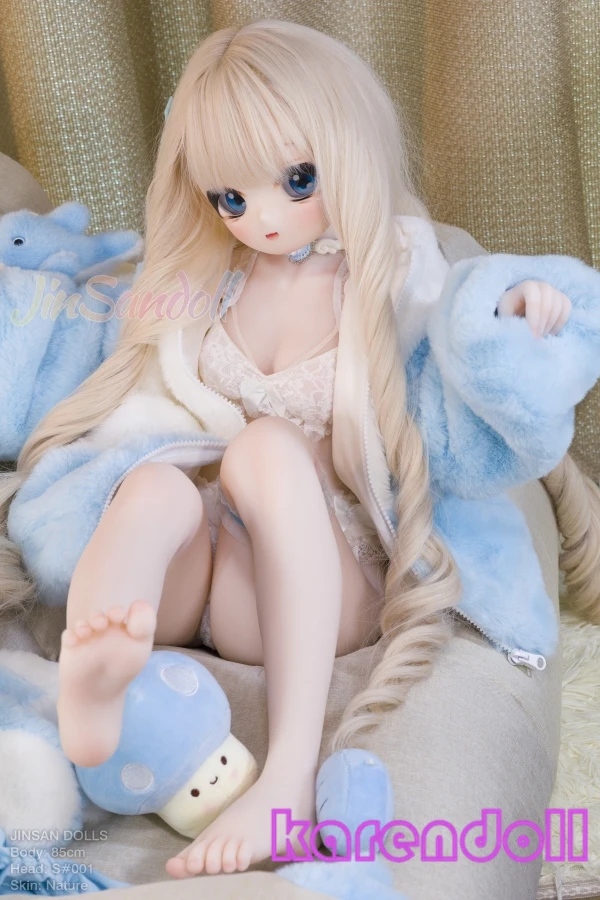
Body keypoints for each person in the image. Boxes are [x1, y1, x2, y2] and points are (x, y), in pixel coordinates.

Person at [1, 18, 599, 888]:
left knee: (265, 450)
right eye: (231, 198)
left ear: (347, 150)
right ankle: (92, 689)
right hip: (203, 584)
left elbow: (462, 370)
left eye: (296, 182)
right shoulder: (206, 278)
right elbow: (107, 364)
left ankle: (286, 777)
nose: (265, 219)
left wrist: (513, 318)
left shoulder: (394, 272)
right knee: (154, 487)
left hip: (327, 576)